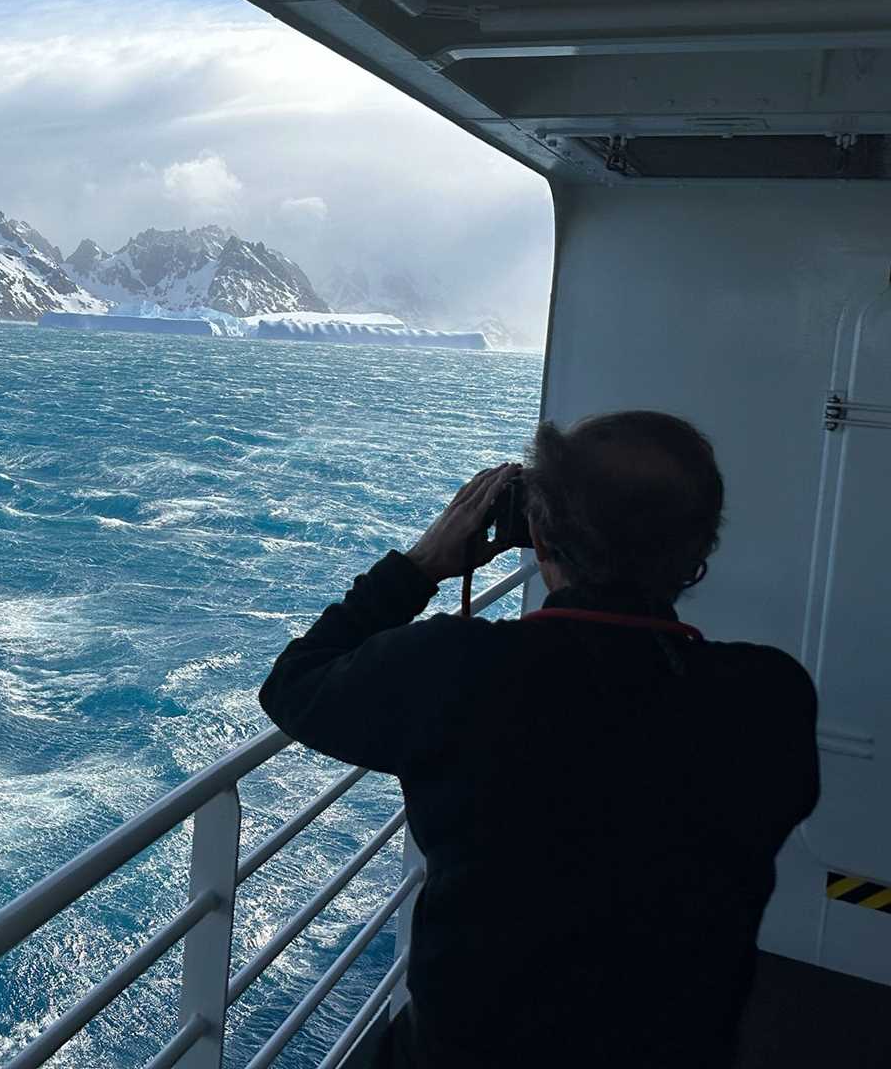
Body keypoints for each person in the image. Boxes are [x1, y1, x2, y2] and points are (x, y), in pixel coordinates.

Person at [258, 411, 819, 1069]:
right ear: (698, 552)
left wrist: (419, 566)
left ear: (541, 533)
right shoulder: (768, 698)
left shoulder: (457, 672)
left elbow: (294, 685)